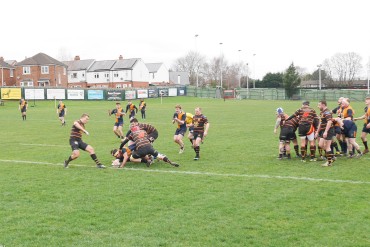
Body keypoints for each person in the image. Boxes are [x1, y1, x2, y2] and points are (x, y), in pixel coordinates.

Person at [315, 100, 336, 166]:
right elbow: (320, 123)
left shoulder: (327, 112)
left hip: (328, 131)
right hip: (323, 131)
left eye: (319, 105)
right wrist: (317, 132)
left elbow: (329, 122)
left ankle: (329, 162)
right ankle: (332, 156)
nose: (318, 106)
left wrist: (326, 131)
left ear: (323, 105)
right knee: (321, 145)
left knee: (327, 146)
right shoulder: (322, 112)